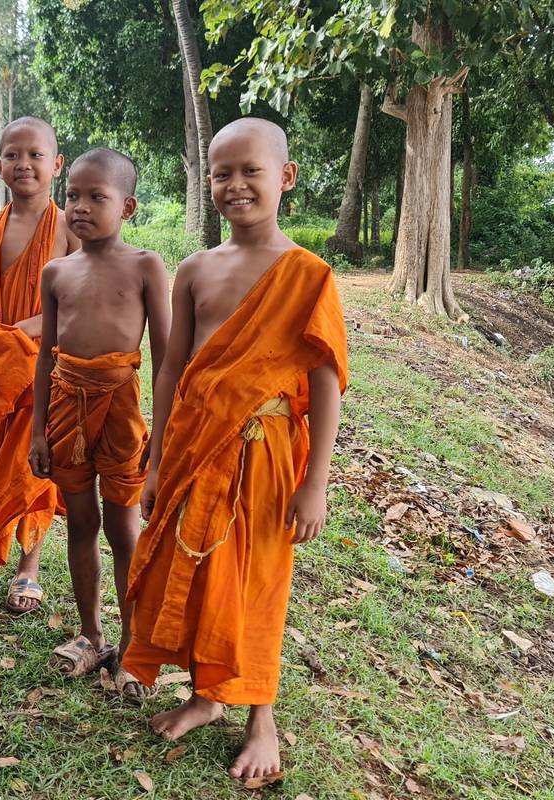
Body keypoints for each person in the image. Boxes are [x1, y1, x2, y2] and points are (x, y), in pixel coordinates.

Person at [120, 118, 349, 781]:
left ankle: (261, 717)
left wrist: (317, 481)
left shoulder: (307, 275)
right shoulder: (194, 270)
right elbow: (170, 369)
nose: (236, 184)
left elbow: (326, 379)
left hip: (267, 454)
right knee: (194, 577)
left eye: (252, 170)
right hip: (195, 446)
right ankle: (206, 697)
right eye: (222, 172)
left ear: (286, 177)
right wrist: (158, 457)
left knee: (257, 583)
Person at [27, 148, 169, 699]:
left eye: (97, 197)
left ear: (127, 206)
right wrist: (39, 427)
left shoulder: (145, 266)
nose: (80, 207)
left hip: (122, 407)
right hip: (66, 405)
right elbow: (46, 356)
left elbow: (165, 357)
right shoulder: (56, 272)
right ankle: (91, 634)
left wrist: (163, 430)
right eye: (73, 197)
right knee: (80, 523)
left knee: (123, 528)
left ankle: (133, 646)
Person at [0, 116, 78, 615]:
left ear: (56, 164)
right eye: (12, 155)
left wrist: (17, 335)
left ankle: (28, 566)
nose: (24, 164)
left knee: (32, 468)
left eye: (35, 155)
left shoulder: (68, 227)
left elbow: (72, 305)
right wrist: (1, 342)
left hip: (40, 373)